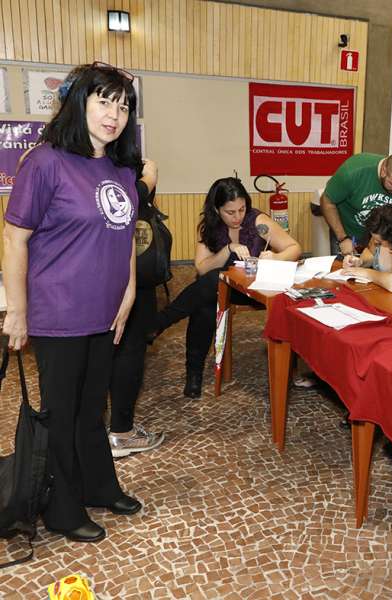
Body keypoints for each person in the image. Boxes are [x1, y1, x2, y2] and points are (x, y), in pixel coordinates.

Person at [2, 62, 143, 543]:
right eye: (104, 102)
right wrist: (17, 310)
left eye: (122, 106)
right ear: (79, 103)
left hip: (105, 313)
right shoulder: (45, 162)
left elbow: (126, 237)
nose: (114, 115)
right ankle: (62, 509)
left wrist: (128, 292)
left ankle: (98, 486)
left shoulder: (121, 169)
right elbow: (15, 238)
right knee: (61, 414)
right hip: (59, 313)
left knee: (92, 409)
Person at [150, 177, 301, 398]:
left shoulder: (257, 220)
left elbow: (294, 248)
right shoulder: (210, 227)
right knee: (208, 296)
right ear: (216, 209)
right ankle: (194, 375)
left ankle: (160, 322)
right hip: (223, 288)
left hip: (254, 289)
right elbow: (202, 267)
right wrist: (228, 249)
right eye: (230, 212)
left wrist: (275, 257)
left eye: (242, 209)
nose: (237, 216)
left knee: (210, 287)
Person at [107, 158, 165, 458]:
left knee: (104, 354)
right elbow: (133, 197)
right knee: (128, 350)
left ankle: (92, 431)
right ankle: (121, 432)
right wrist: (149, 176)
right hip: (127, 280)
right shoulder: (117, 178)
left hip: (90, 279)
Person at [321, 152, 392, 256]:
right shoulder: (353, 172)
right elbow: (327, 201)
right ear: (383, 171)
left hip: (384, 241)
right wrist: (342, 238)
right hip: (345, 232)